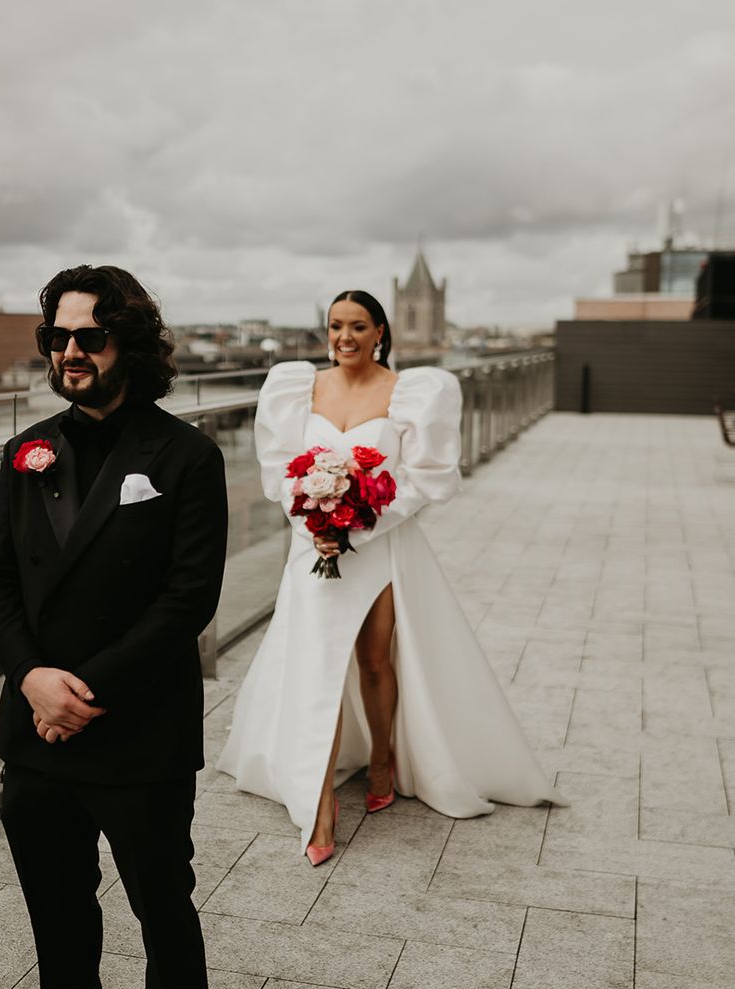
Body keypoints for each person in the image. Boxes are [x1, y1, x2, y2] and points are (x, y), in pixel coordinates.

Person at [217, 289, 565, 865]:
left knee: (375, 660)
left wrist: (357, 528)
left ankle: (383, 757)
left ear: (380, 331)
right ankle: (320, 803)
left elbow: (425, 481)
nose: (343, 338)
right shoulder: (294, 389)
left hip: (380, 546)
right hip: (313, 549)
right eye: (334, 326)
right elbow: (281, 474)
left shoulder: (412, 392)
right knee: (319, 668)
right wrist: (314, 526)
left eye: (357, 326)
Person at [0, 264, 228, 989]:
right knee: (56, 926)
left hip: (139, 731)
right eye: (58, 336)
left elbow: (189, 600)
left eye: (91, 336)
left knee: (163, 917)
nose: (70, 352)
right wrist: (30, 680)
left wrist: (83, 693)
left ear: (134, 343)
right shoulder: (26, 451)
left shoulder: (187, 456)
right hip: (35, 737)